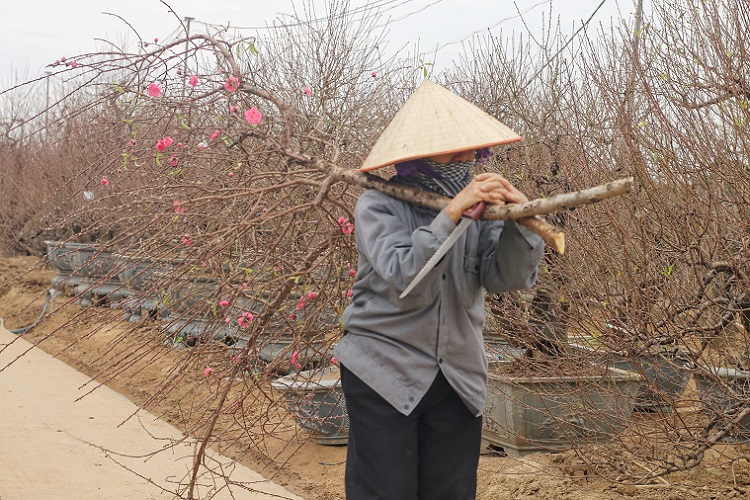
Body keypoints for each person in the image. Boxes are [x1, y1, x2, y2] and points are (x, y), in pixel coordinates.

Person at [334, 80, 545, 500]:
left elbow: (505, 278)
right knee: (386, 492)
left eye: (470, 150)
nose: (466, 159)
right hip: (384, 369)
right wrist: (450, 215)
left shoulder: (478, 210)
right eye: (453, 150)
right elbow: (403, 275)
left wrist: (520, 221)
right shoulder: (379, 205)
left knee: (449, 492)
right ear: (420, 155)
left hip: (457, 374)